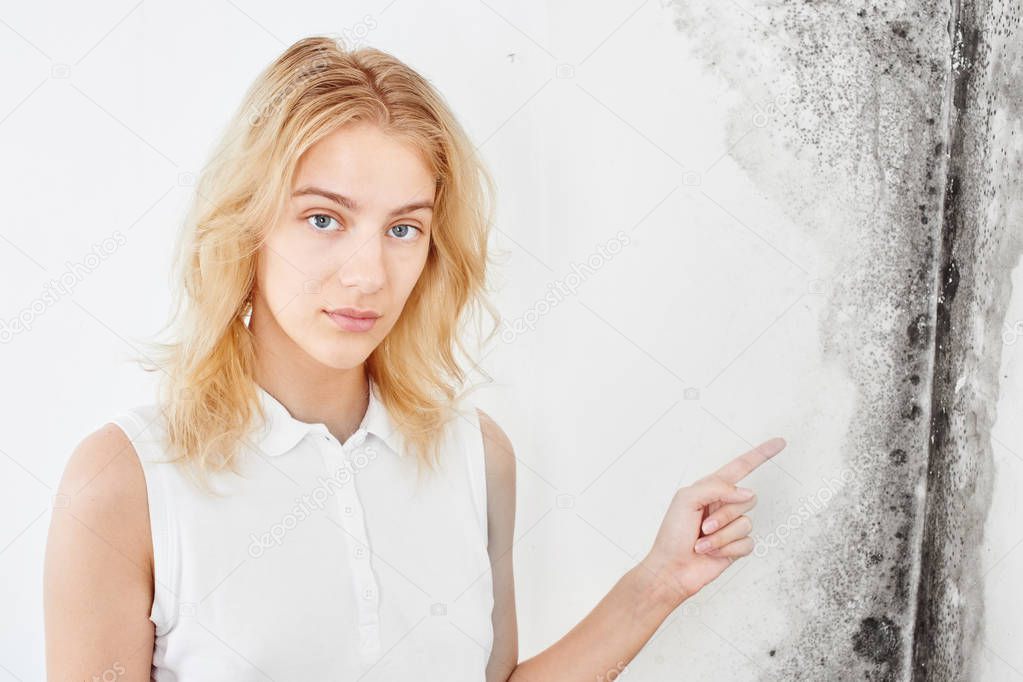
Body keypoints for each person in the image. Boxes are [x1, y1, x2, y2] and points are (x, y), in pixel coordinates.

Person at [43, 35, 786, 681]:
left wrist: (656, 582)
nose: (367, 273)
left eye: (403, 229)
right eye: (323, 218)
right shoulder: (125, 480)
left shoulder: (476, 454)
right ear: (247, 224)